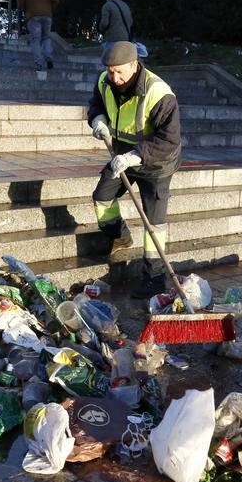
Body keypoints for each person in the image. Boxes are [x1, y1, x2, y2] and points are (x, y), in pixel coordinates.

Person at [87, 40, 181, 297]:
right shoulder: (104, 81)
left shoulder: (159, 93)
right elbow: (96, 103)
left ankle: (154, 279)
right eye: (110, 70)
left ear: (134, 64)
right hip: (121, 155)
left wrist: (136, 156)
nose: (114, 77)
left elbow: (169, 139)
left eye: (120, 71)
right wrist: (97, 119)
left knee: (154, 223)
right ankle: (120, 236)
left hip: (156, 163)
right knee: (102, 197)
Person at [17, 0, 59, 80]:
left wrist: (26, 9)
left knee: (35, 39)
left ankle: (39, 63)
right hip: (47, 15)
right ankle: (49, 56)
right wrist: (49, 9)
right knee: (46, 37)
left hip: (32, 15)